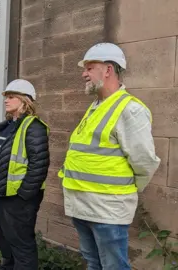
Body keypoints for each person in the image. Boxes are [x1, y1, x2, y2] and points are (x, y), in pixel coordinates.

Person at [59, 42, 161, 270]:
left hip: (108, 210)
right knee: (94, 264)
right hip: (83, 206)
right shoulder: (97, 106)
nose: (83, 74)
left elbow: (144, 162)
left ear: (108, 70)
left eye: (89, 67)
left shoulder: (129, 109)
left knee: (114, 267)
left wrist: (125, 193)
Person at [0, 79, 50, 270]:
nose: (6, 100)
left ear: (25, 101)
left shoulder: (34, 127)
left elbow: (39, 166)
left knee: (21, 244)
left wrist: (23, 197)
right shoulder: (10, 125)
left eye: (11, 97)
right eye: (6, 97)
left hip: (17, 198)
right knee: (4, 238)